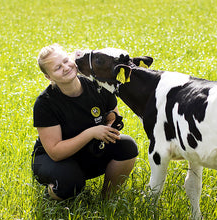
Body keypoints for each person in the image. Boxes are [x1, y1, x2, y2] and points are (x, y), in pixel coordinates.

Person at [31, 44, 138, 200]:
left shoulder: (98, 85)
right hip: (53, 159)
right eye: (57, 68)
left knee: (127, 145)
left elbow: (113, 116)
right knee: (70, 183)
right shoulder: (45, 103)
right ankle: (52, 193)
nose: (66, 68)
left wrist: (109, 128)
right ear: (49, 77)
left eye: (66, 61)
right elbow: (55, 152)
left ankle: (107, 199)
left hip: (90, 150)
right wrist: (91, 133)